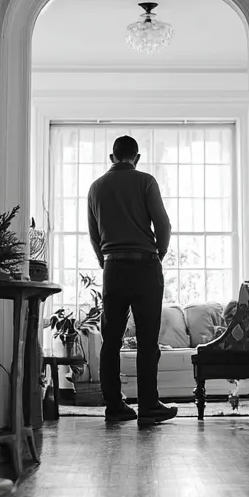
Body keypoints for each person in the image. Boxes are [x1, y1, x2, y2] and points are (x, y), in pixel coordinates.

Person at [87, 135, 177, 427]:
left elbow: (93, 233)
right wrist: (158, 253)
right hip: (145, 267)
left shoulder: (96, 188)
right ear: (136, 158)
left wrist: (106, 262)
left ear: (111, 157)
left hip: (113, 268)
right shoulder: (146, 181)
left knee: (111, 340)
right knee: (148, 341)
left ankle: (114, 406)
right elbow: (163, 224)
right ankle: (149, 406)